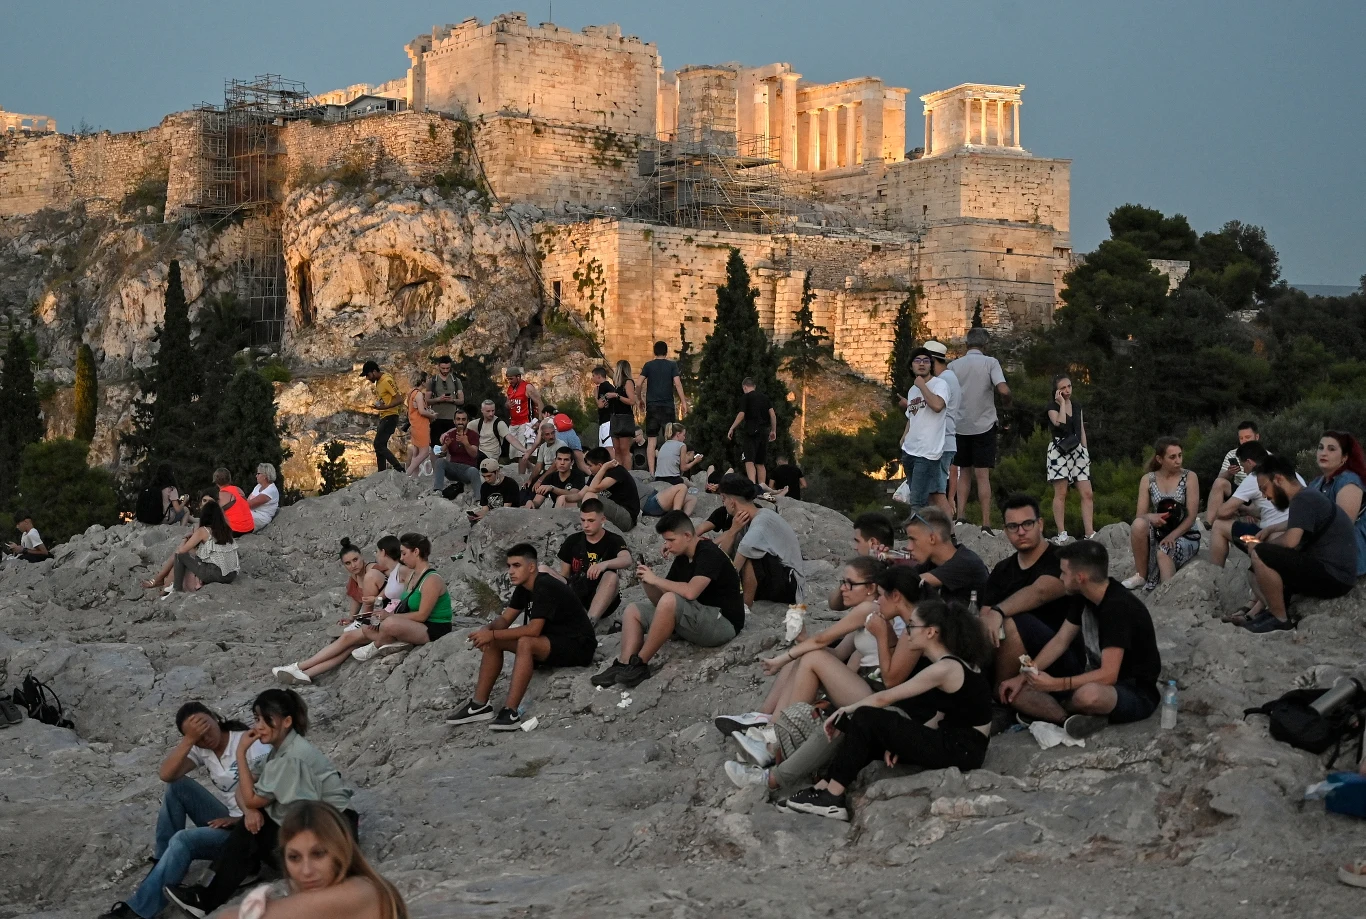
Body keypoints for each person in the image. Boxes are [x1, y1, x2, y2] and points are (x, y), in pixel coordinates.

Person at [784, 597, 993, 821]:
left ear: (931, 632)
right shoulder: (952, 664)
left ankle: (832, 797)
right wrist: (903, 742)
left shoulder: (946, 668)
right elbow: (942, 716)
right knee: (867, 732)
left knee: (865, 716)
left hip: (963, 750)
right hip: (955, 743)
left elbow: (885, 697)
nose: (908, 632)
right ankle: (825, 785)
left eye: (912, 626)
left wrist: (844, 710)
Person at [724, 563, 923, 793]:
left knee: (812, 658)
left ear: (877, 590)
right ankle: (770, 727)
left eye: (849, 583)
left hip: (880, 694)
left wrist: (781, 659)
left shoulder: (882, 615)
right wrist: (804, 641)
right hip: (868, 685)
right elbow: (838, 654)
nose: (843, 589)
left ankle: (774, 738)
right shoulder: (871, 613)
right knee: (808, 656)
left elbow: (889, 680)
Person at [164, 690, 355, 918]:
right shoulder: (278, 751)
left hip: (332, 838)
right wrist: (249, 809)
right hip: (316, 825)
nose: (259, 726)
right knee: (252, 820)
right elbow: (242, 789)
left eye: (266, 720)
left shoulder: (289, 758)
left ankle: (205, 897)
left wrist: (241, 753)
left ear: (287, 722)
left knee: (250, 827)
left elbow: (252, 796)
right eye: (256, 719)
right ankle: (208, 892)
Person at [98, 702, 270, 919]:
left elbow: (273, 792)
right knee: (177, 786)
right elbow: (167, 774)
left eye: (206, 727)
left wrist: (238, 819)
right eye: (198, 735)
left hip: (250, 828)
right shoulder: (202, 748)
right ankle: (163, 862)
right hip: (229, 818)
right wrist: (189, 740)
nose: (205, 737)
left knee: (184, 840)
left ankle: (137, 912)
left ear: (215, 718)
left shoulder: (247, 741)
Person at [998, 540, 1163, 739]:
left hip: (1134, 690)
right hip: (1093, 677)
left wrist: (1055, 685)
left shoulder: (1117, 608)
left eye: (1064, 573)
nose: (1060, 577)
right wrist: (1023, 677)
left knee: (1089, 696)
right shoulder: (1083, 596)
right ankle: (1068, 719)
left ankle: (1054, 713)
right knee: (1016, 692)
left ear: (1080, 577)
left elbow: (1109, 675)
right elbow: (1061, 640)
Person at [447, 543, 598, 730]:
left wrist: (492, 634)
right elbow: (505, 620)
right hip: (552, 642)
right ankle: (479, 705)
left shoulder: (545, 585)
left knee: (526, 642)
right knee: (495, 640)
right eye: (509, 566)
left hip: (579, 645)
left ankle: (510, 712)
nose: (511, 571)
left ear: (531, 567)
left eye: (516, 565)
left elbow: (533, 630)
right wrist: (486, 631)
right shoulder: (525, 587)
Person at [592, 511, 743, 688]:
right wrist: (647, 581)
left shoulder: (709, 554)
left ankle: (639, 665)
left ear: (687, 535)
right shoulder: (683, 557)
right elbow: (661, 601)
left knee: (671, 599)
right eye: (665, 540)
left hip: (723, 624)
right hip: (696, 615)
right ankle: (624, 664)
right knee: (633, 610)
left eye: (671, 540)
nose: (667, 545)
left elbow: (690, 592)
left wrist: (656, 579)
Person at [219, 800, 408, 919]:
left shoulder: (364, 891)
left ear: (340, 850)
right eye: (294, 858)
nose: (306, 870)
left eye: (318, 854)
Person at [1241, 454, 1359, 633]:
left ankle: (1279, 619)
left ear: (1278, 479)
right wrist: (1271, 529)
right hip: (1338, 574)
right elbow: (1299, 522)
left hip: (1335, 576)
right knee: (1267, 557)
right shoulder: (1308, 496)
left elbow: (1290, 541)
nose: (1265, 497)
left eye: (1265, 489)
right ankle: (1274, 611)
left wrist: (1259, 546)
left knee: (1262, 553)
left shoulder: (1302, 499)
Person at [978, 494, 1083, 685]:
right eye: (1013, 526)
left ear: (1040, 524)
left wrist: (998, 612)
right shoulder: (1002, 570)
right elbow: (986, 618)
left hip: (1060, 657)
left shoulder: (1062, 560)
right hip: (1015, 661)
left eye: (1027, 524)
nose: (1021, 532)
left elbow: (1041, 592)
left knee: (1013, 623)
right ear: (1005, 530)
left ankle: (999, 697)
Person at [272, 538, 391, 685]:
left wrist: (361, 621)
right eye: (348, 563)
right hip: (371, 622)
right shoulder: (355, 576)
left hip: (382, 620)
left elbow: (385, 594)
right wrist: (352, 619)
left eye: (356, 560)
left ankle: (297, 666)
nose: (353, 565)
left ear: (362, 557)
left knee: (346, 639)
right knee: (349, 647)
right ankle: (306, 674)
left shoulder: (372, 571)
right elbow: (356, 598)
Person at [948, 327, 1011, 531]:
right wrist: (1007, 402)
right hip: (984, 425)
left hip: (960, 425)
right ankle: (986, 522)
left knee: (963, 472)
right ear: (986, 345)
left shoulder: (953, 366)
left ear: (966, 345)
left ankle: (961, 517)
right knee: (983, 475)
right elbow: (1002, 388)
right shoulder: (990, 363)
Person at [351, 533, 453, 658]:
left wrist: (390, 616)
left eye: (404, 554)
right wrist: (383, 613)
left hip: (434, 627)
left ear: (416, 552)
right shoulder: (411, 576)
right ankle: (396, 642)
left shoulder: (432, 580)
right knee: (368, 627)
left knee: (389, 623)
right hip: (416, 624)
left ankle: (377, 645)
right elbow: (402, 603)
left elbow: (422, 615)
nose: (402, 558)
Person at [1122, 437, 1201, 590]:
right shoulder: (1148, 479)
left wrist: (1173, 536)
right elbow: (1140, 514)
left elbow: (1191, 516)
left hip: (1185, 533)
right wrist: (1150, 517)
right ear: (1159, 459)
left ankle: (1166, 591)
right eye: (1172, 457)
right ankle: (1140, 575)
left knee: (1164, 551)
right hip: (1160, 531)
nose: (1178, 460)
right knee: (1138, 525)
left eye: (1180, 455)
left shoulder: (1190, 477)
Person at [717, 474, 805, 605]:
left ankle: (745, 606)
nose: (723, 504)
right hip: (775, 579)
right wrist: (733, 530)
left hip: (790, 585)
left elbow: (734, 568)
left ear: (731, 501)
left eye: (723, 500)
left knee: (751, 554)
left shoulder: (762, 521)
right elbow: (723, 554)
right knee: (742, 546)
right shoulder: (744, 520)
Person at [1208, 442, 1300, 569]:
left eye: (1243, 465)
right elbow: (1270, 510)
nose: (1243, 470)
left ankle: (1214, 572)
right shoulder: (1287, 472)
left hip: (1272, 535)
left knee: (1218, 525)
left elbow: (1222, 512)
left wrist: (1230, 509)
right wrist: (1246, 510)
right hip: (1292, 529)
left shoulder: (1255, 477)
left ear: (1250, 462)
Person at [552, 499, 632, 624]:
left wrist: (604, 564)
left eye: (591, 520)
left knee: (611, 576)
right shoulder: (573, 540)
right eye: (583, 520)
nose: (586, 525)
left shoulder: (613, 540)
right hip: (577, 593)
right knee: (543, 571)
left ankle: (589, 624)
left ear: (603, 520)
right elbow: (564, 575)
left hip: (603, 595)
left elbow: (627, 559)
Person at [142, 500, 239, 599]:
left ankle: (176, 589)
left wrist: (185, 538)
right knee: (188, 556)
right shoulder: (226, 530)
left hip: (216, 573)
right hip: (231, 574)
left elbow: (181, 551)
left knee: (180, 556)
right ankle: (164, 583)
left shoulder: (204, 530)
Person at [1308, 430, 1366, 578]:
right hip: (1321, 545)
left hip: (1348, 553)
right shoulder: (1316, 483)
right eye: (1321, 448)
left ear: (1344, 458)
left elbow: (1343, 526)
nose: (1323, 453)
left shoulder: (1349, 481)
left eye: (1331, 449)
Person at [898, 347, 950, 510]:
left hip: (927, 453)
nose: (921, 364)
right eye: (917, 361)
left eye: (926, 361)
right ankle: (927, 532)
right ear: (911, 366)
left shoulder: (939, 384)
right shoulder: (913, 390)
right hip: (910, 451)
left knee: (917, 502)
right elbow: (912, 416)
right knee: (918, 498)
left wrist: (922, 386)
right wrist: (904, 438)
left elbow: (937, 405)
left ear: (931, 365)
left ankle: (916, 534)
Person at [1045, 374, 1095, 543]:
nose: (1067, 390)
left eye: (1069, 387)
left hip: (1077, 449)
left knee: (1087, 493)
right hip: (1059, 450)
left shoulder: (1077, 405)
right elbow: (1060, 423)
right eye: (1063, 388)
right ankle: (1062, 532)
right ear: (1057, 391)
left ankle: (1089, 531)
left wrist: (1085, 451)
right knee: (1061, 492)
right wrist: (1062, 404)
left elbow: (1080, 429)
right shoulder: (1052, 406)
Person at [906, 506, 988, 604]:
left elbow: (909, 583)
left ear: (932, 538)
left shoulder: (965, 562)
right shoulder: (931, 562)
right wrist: (885, 562)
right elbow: (901, 578)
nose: (909, 547)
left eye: (913, 539)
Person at [922, 340, 961, 517]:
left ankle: (949, 535)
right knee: (932, 493)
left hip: (941, 441)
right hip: (942, 440)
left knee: (937, 493)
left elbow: (936, 406)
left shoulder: (944, 381)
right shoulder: (949, 378)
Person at [639, 341, 689, 474]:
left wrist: (639, 399)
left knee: (651, 440)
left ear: (654, 352)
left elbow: (638, 384)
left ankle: (651, 472)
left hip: (652, 407)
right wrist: (683, 402)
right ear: (666, 352)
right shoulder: (672, 365)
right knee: (671, 439)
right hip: (667, 406)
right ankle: (670, 470)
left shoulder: (648, 365)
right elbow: (678, 384)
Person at [1203, 420, 1260, 529]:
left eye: (1247, 437)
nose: (1244, 441)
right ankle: (1209, 523)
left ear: (1256, 437)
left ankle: (1244, 510)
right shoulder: (1232, 454)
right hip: (1238, 493)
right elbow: (1218, 480)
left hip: (1256, 495)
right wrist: (1229, 473)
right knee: (1220, 482)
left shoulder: (1266, 456)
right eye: (1241, 438)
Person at [642, 423, 703, 517]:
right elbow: (684, 468)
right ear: (678, 434)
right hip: (671, 479)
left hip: (659, 478)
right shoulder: (681, 445)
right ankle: (681, 516)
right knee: (688, 489)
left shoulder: (664, 445)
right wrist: (695, 461)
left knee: (684, 481)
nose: (684, 437)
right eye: (683, 435)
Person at [727, 378, 777, 486]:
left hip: (751, 431)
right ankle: (762, 486)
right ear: (754, 386)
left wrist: (732, 428)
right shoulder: (765, 398)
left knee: (749, 460)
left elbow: (741, 414)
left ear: (745, 387)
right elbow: (772, 415)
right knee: (760, 462)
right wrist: (773, 430)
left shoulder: (746, 397)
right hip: (764, 432)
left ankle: (752, 484)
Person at [579, 446, 639, 532]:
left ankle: (589, 527)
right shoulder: (596, 474)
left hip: (626, 518)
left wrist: (604, 468)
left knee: (590, 497)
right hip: (612, 511)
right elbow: (580, 495)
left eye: (590, 465)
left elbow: (593, 489)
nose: (588, 468)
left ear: (600, 465)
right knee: (580, 499)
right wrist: (564, 497)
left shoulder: (617, 471)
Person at [361, 359, 404, 473]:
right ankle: (381, 472)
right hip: (384, 416)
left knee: (378, 444)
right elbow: (387, 398)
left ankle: (399, 469)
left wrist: (384, 407)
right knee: (380, 446)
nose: (367, 378)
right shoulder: (379, 382)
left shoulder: (386, 380)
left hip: (390, 416)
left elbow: (399, 399)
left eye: (368, 375)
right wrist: (381, 404)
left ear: (374, 371)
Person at [433, 408, 482, 497]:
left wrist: (466, 443)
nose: (460, 422)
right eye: (458, 419)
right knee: (440, 462)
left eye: (463, 419)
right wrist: (446, 445)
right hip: (453, 468)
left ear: (467, 421)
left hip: (467, 469)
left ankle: (479, 500)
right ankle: (437, 491)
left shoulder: (473, 435)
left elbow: (474, 454)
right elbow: (440, 454)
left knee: (474, 471)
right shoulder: (450, 434)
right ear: (454, 421)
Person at [504, 366, 541, 459]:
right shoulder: (510, 388)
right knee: (512, 453)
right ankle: (516, 469)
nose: (510, 381)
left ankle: (526, 471)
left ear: (518, 377)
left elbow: (539, 402)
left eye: (511, 379)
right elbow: (507, 402)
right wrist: (507, 405)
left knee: (523, 452)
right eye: (508, 379)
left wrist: (539, 420)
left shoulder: (527, 387)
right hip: (513, 423)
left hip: (525, 422)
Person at [606, 360, 638, 468]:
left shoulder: (628, 382)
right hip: (615, 417)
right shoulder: (617, 385)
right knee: (617, 449)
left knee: (624, 449)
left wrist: (617, 396)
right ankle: (618, 473)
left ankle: (627, 474)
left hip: (624, 418)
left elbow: (632, 401)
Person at [427, 354, 465, 446]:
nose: (445, 371)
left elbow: (462, 400)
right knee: (435, 446)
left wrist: (452, 400)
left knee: (452, 446)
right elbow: (427, 400)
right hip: (436, 418)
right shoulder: (432, 381)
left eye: (447, 368)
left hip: (452, 419)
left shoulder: (456, 381)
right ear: (438, 366)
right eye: (443, 368)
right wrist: (439, 399)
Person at [404, 372, 436, 477]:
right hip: (421, 426)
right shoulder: (418, 395)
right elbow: (422, 411)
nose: (429, 382)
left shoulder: (411, 393)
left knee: (416, 452)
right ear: (422, 382)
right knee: (425, 452)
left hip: (414, 425)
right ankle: (408, 473)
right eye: (427, 380)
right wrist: (432, 416)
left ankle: (414, 476)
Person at [468, 399, 514, 464]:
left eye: (493, 411)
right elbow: (462, 430)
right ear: (482, 411)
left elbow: (511, 439)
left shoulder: (499, 423)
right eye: (488, 411)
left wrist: (525, 450)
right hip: (480, 453)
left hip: (492, 457)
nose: (491, 414)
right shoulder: (476, 423)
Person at [215, 468, 256, 536]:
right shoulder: (238, 489)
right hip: (250, 528)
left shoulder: (220, 495)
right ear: (229, 479)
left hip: (235, 531)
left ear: (216, 481)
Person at [248, 464, 282, 531]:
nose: (256, 476)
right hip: (251, 513)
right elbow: (247, 501)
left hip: (260, 518)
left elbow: (249, 504)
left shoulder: (271, 490)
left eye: (258, 474)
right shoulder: (258, 486)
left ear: (265, 475)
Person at [592, 365, 615, 449]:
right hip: (608, 420)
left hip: (606, 421)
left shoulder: (603, 387)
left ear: (598, 376)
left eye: (593, 376)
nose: (592, 378)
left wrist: (595, 395)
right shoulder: (610, 387)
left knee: (607, 447)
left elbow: (600, 405)